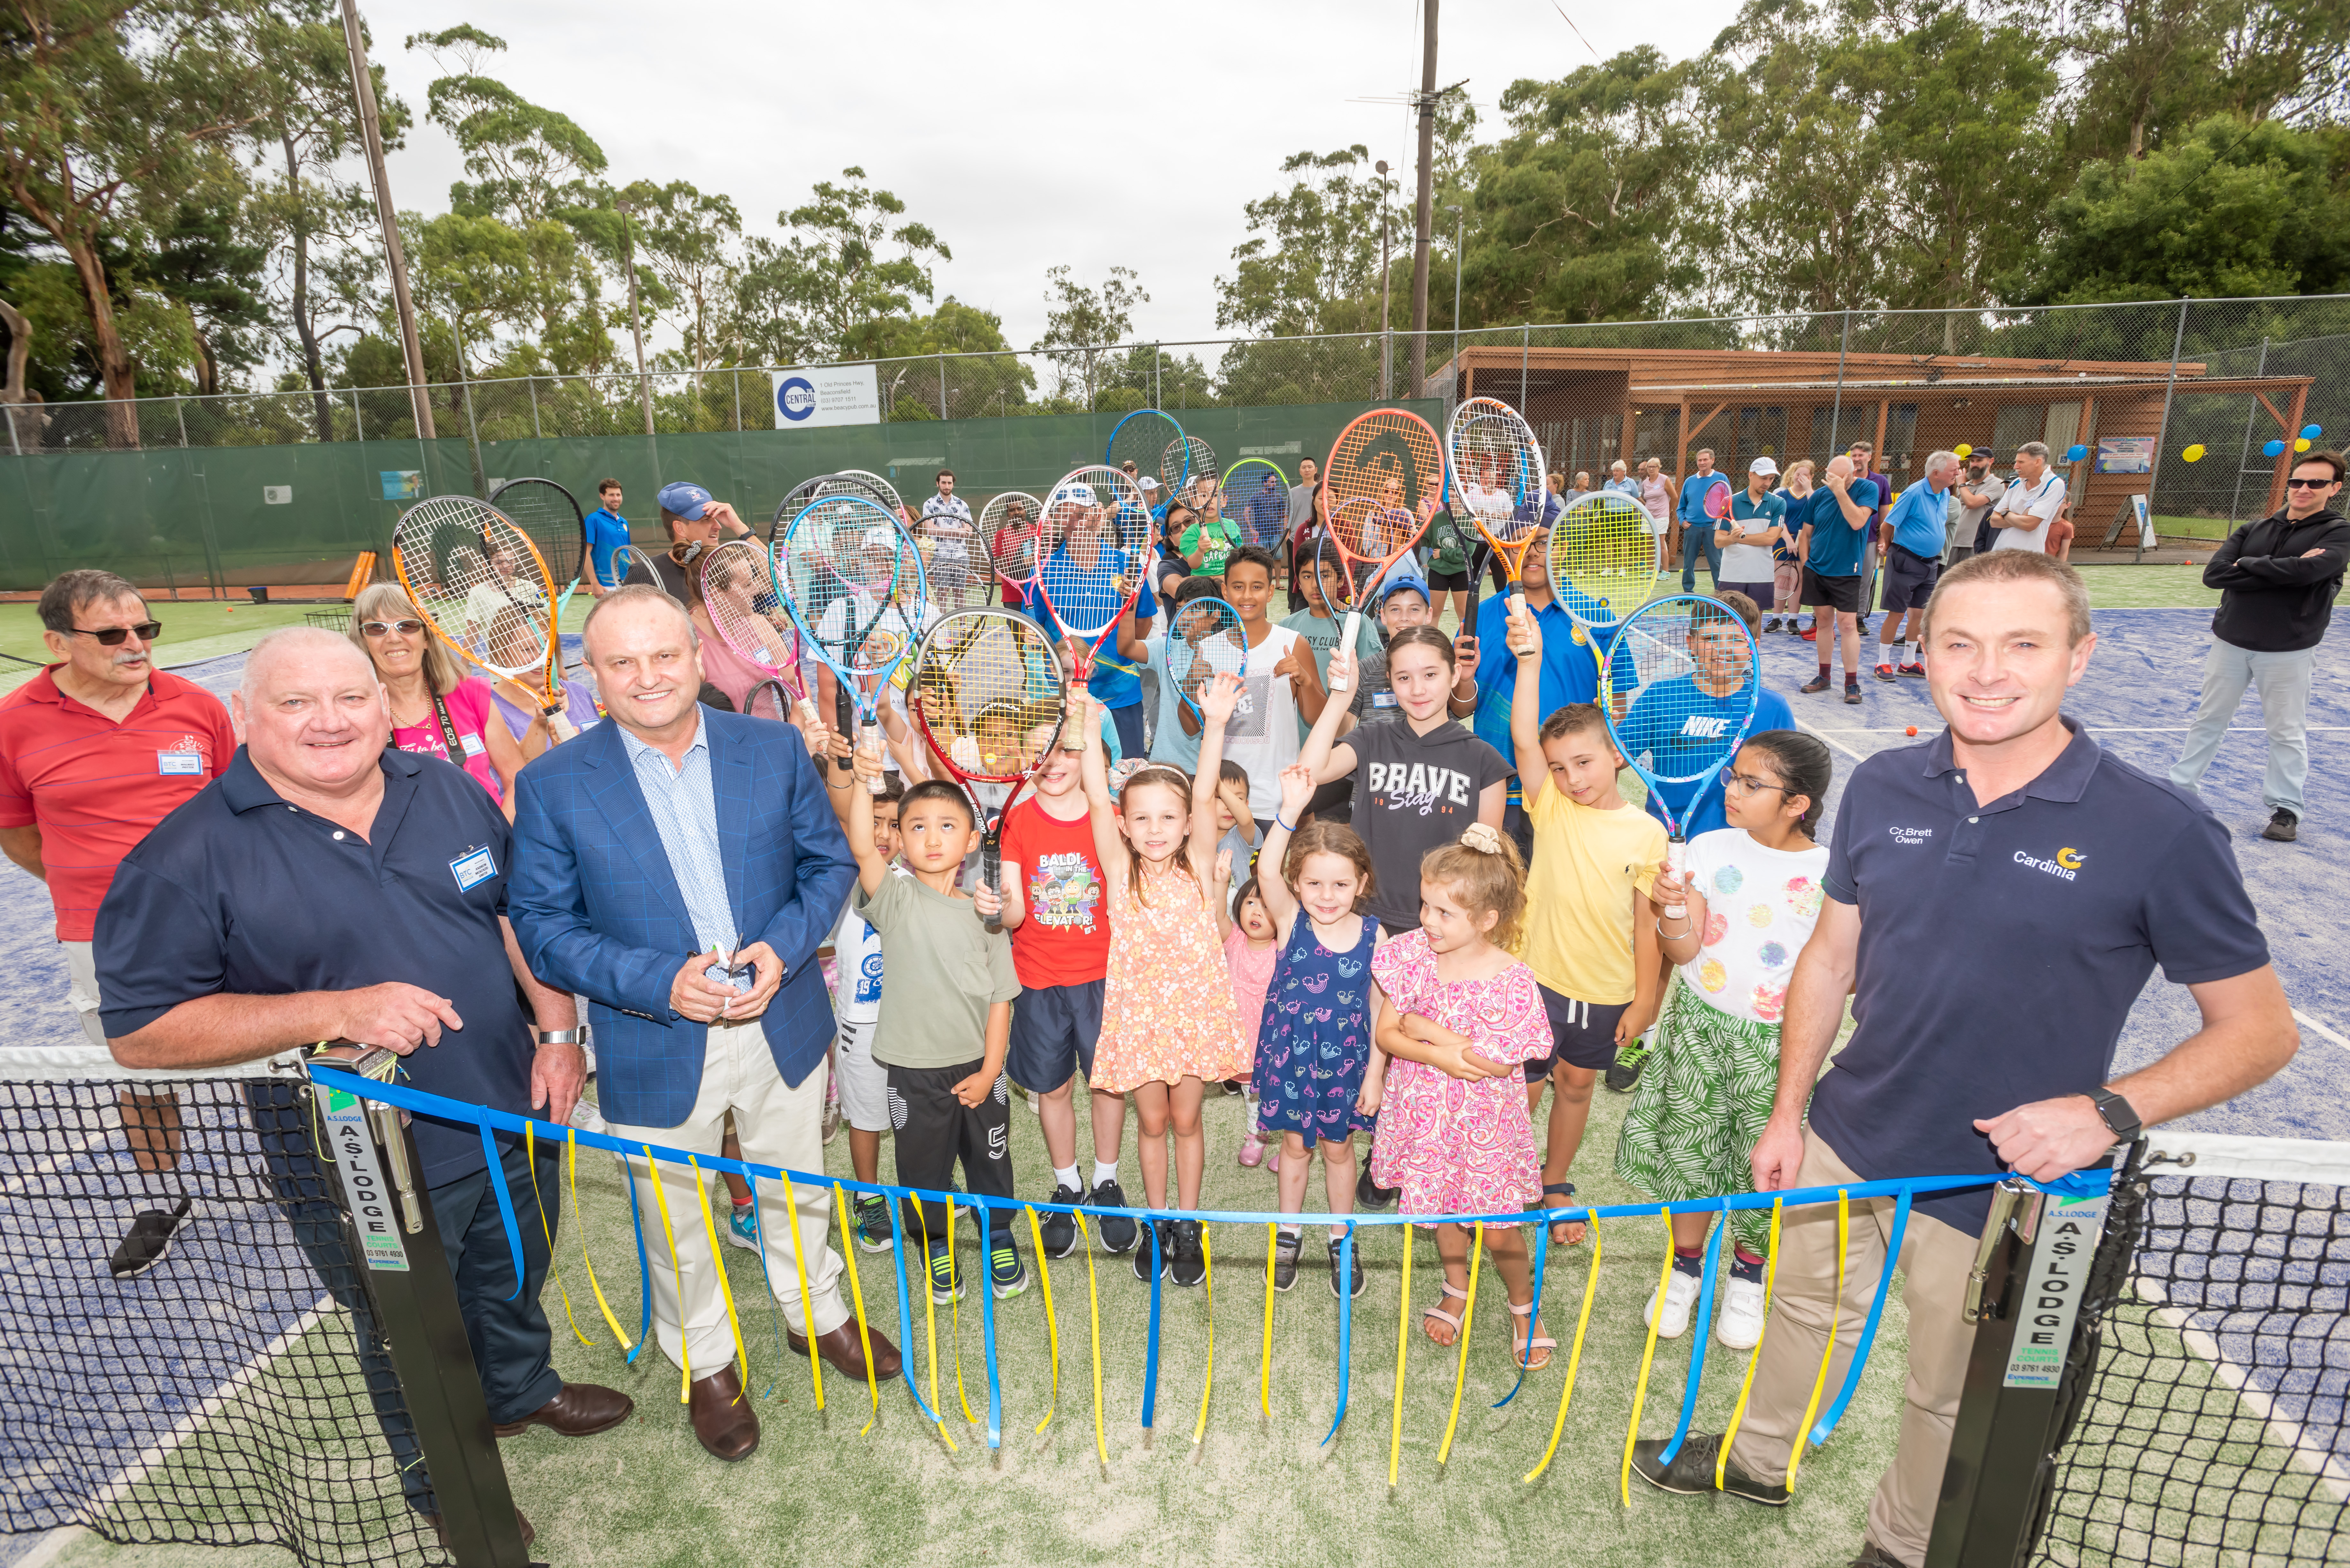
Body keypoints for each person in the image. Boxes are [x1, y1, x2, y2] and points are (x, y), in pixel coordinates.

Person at [1631, 549, 2297, 1568]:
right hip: (1848, 1131)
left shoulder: (2158, 830)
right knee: (1804, 1307)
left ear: (2077, 657)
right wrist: (1786, 1110)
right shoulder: (1885, 783)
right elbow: (1830, 952)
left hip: (1999, 1177)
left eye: (2020, 643)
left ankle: (1900, 1545)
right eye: (1958, 643)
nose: (1985, 671)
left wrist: (2103, 1112)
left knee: (1944, 1385)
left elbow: (2258, 1031)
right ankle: (1755, 1459)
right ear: (1927, 655)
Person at [96, 629, 630, 1540]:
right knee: (407, 1337)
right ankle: (451, 1496)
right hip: (354, 1165)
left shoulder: (447, 789)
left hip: (511, 1111)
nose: (329, 722)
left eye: (349, 698)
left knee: (512, 1275)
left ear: (386, 705)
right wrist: (330, 1010)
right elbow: (143, 1033)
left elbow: (513, 918)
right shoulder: (185, 856)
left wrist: (556, 1033)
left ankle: (517, 1390)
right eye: (296, 703)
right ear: (246, 718)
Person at [507, 586, 898, 1463]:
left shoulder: (770, 748)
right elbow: (542, 926)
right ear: (593, 676)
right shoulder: (553, 786)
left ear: (695, 655)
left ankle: (817, 1314)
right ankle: (708, 1364)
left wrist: (783, 952)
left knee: (798, 1182)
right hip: (654, 1036)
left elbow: (827, 864)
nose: (648, 677)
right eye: (623, 662)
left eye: (665, 655)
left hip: (782, 1018)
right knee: (670, 1213)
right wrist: (659, 982)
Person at [0, 569, 235, 1275]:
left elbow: (239, 815)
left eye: (144, 628)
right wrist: (102, 893)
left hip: (223, 924)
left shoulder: (197, 705)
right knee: (140, 1075)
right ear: (57, 642)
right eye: (112, 634)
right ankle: (163, 1198)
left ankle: (306, 1175)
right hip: (99, 936)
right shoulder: (15, 721)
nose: (135, 645)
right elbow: (16, 831)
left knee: (279, 1056)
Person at [1613, 730, 1833, 1348]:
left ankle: (1747, 1273)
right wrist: (1672, 909)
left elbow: (1835, 978)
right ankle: (1684, 1266)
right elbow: (1684, 952)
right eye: (1733, 777)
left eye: (1751, 783)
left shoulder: (1828, 874)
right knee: (1692, 1156)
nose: (1730, 790)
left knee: (1761, 1166)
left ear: (1799, 803)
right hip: (1697, 1031)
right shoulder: (1710, 848)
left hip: (1776, 1047)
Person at [1367, 825, 1555, 1368]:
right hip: (1426, 1118)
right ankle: (1457, 1285)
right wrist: (1442, 1052)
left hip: (1486, 1130)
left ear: (1487, 920)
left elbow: (1497, 1063)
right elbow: (1387, 1034)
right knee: (1442, 1215)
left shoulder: (1514, 980)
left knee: (1499, 1232)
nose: (1427, 920)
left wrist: (1424, 1027)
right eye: (1425, 905)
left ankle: (1524, 1302)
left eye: (1444, 912)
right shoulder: (1410, 955)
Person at [1505, 618, 1668, 1246]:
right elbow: (1523, 735)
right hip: (1536, 979)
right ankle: (1505, 1175)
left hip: (1605, 991)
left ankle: (1553, 1179)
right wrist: (1530, 659)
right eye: (1558, 767)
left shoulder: (1646, 832)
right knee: (1523, 1085)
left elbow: (1645, 924)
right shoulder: (1550, 806)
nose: (1571, 778)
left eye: (1583, 761)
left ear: (1616, 752)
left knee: (1576, 1084)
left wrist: (1645, 998)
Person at [1081, 679, 1248, 1288]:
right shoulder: (1121, 869)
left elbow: (1206, 793)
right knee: (1150, 1123)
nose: (1155, 829)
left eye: (1168, 818)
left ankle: (1188, 1221)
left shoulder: (1201, 867)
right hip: (1139, 1021)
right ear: (1125, 826)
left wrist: (1218, 721)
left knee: (1186, 1122)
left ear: (1186, 827)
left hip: (1194, 1018)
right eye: (1142, 817)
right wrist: (1082, 726)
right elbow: (1098, 800)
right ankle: (1157, 1219)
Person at [843, 747, 1026, 1302]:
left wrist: (992, 1067)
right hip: (913, 1071)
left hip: (980, 1068)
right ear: (897, 838)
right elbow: (857, 845)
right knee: (922, 1171)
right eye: (915, 826)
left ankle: (997, 1231)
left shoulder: (986, 913)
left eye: (947, 826)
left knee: (991, 1160)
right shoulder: (893, 898)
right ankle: (935, 1245)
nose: (930, 837)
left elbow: (1001, 999)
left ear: (972, 841)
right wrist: (861, 778)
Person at [980, 712, 1138, 1261]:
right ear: (1026, 759)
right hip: (1039, 981)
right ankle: (1068, 1183)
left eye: (1068, 750)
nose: (1054, 762)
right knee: (1053, 1090)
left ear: (1090, 757)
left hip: (1104, 977)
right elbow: (1016, 911)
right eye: (1042, 750)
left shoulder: (1111, 817)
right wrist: (1000, 910)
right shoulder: (1017, 822)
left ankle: (1107, 1181)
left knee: (1108, 1086)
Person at [2170, 450, 2348, 844]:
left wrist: (2247, 565)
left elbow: (2313, 571)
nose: (2303, 489)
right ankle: (2180, 791)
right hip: (2232, 642)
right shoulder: (2255, 527)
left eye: (2316, 483)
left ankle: (2286, 810)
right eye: (2297, 481)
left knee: (2286, 731)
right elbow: (2214, 575)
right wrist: (2282, 568)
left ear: (2334, 488)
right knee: (2208, 719)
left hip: (2289, 649)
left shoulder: (2337, 532)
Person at [1250, 768, 1380, 1298]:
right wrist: (1289, 809)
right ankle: (1289, 1232)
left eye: (1341, 883)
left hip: (1346, 1065)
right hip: (1292, 1060)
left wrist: (1375, 1075)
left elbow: (1380, 1009)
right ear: (1297, 883)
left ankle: (1341, 1237)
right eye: (1314, 882)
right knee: (1297, 1148)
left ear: (1362, 883)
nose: (1327, 895)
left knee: (1339, 1151)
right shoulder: (1288, 918)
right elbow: (1267, 870)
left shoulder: (1377, 933)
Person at [1298, 627, 1509, 937]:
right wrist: (1340, 699)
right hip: (1367, 917)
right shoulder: (1372, 740)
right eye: (1404, 678)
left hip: (1447, 925)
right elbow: (1310, 773)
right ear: (1390, 681)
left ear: (1454, 675)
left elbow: (1486, 865)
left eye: (1430, 675)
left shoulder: (1484, 761)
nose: (1417, 690)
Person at [1454, 528, 1597, 863]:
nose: (1532, 552)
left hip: (1572, 789)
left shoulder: (1596, 616)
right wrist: (1463, 680)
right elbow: (1461, 708)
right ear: (1504, 555)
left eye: (1543, 541)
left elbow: (1612, 706)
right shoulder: (1479, 618)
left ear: (1561, 548)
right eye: (1518, 545)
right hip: (1500, 791)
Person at [349, 583, 527, 816]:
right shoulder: (352, 714)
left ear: (426, 638)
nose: (393, 638)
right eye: (376, 628)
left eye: (407, 626)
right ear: (363, 640)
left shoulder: (470, 693)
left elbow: (516, 780)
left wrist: (502, 838)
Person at [1635, 592, 1796, 849]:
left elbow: (1790, 789)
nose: (1723, 649)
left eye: (1736, 639)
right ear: (1691, 642)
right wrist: (1600, 733)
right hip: (1666, 841)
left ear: (1754, 645)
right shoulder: (1659, 696)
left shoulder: (1774, 708)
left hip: (1742, 850)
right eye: (1710, 638)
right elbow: (1616, 758)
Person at [820, 772, 902, 1251]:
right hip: (862, 1030)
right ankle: (868, 1195)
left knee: (918, 1116)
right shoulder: (839, 879)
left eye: (895, 824)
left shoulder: (914, 879)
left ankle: (925, 1184)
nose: (886, 836)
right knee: (866, 1119)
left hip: (912, 1026)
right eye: (874, 822)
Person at [1215, 547, 1329, 835]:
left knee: (1268, 878)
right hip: (1222, 799)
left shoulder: (1293, 644)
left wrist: (1303, 679)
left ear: (1270, 592)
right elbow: (1191, 726)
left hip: (1276, 798)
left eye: (1257, 587)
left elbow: (1318, 719)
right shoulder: (1208, 649)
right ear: (1225, 591)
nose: (1247, 596)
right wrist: (1195, 676)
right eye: (1238, 587)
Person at [1794, 455, 1880, 705]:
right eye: (1835, 479)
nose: (1841, 482)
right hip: (1816, 569)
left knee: (1848, 625)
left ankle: (1852, 682)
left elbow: (1857, 522)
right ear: (1828, 474)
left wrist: (1841, 491)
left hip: (1847, 570)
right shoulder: (1819, 496)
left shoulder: (1867, 488)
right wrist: (1806, 564)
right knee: (1823, 622)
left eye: (1846, 478)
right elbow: (1806, 534)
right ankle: (1824, 676)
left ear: (1853, 473)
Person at [478, 604, 603, 759]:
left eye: (545, 647)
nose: (540, 659)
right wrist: (541, 725)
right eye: (526, 649)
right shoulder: (487, 707)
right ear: (501, 652)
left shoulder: (579, 692)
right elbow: (515, 773)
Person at [1876, 451, 1960, 680]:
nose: (1958, 472)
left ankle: (1908, 662)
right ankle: (1883, 662)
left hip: (1930, 564)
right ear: (1936, 473)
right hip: (1906, 560)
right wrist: (1892, 549)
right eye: (1954, 469)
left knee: (1921, 615)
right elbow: (1888, 525)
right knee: (1897, 612)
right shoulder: (1913, 493)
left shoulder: (1944, 493)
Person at [1224, 873, 1281, 1169]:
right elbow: (1217, 917)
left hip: (1275, 1041)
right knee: (1252, 1093)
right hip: (1243, 1041)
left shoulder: (1283, 950)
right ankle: (1256, 1136)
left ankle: (1294, 1147)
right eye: (1250, 902)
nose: (1256, 911)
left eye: (1267, 906)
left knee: (1283, 1091)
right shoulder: (1234, 939)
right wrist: (1221, 883)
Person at [627, 482, 754, 602]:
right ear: (680, 529)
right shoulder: (645, 573)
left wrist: (739, 527)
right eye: (706, 520)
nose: (719, 526)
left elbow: (773, 576)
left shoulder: (728, 563)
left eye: (716, 518)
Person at [1715, 457, 1788, 607]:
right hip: (1732, 573)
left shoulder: (1779, 503)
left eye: (1771, 479)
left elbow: (1771, 539)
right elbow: (1718, 541)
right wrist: (1730, 539)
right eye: (1763, 478)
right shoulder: (1728, 502)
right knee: (1729, 621)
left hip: (1762, 575)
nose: (1767, 483)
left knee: (1756, 620)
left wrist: (1737, 538)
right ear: (1751, 475)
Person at [1988, 441, 2064, 555]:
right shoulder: (2015, 483)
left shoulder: (2054, 484)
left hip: (2029, 556)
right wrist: (2023, 518)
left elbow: (2030, 525)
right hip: (2000, 552)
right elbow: (1994, 521)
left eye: (2021, 462)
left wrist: (2005, 514)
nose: (2016, 466)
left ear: (2038, 462)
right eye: (2016, 462)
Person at [1767, 459, 1815, 633]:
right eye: (1798, 473)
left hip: (1804, 543)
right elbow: (1778, 520)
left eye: (1805, 475)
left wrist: (1800, 540)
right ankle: (1776, 619)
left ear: (1811, 478)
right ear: (1793, 475)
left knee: (1798, 581)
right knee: (1781, 580)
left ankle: (1793, 621)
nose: (1800, 477)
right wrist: (1788, 540)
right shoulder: (1781, 495)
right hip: (1782, 541)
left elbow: (1815, 516)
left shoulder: (1814, 496)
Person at [917, 468, 976, 608]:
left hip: (961, 555)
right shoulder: (929, 504)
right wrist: (958, 531)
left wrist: (945, 532)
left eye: (950, 483)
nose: (947, 486)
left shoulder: (962, 505)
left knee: (960, 593)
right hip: (939, 555)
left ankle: (963, 628)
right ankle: (941, 627)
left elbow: (969, 532)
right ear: (938, 484)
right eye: (944, 483)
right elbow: (930, 529)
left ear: (953, 485)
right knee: (942, 593)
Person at [1848, 440, 1892, 626]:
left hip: (1870, 539)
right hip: (1846, 538)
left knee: (1865, 579)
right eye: (1854, 456)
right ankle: (1820, 618)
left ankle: (1858, 617)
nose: (1857, 459)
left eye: (1861, 455)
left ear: (1869, 457)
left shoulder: (1880, 481)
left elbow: (1884, 511)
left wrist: (1884, 536)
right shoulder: (1845, 479)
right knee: (1838, 577)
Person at [1676, 448, 1728, 592]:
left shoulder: (1721, 478)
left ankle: (1720, 594)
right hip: (1692, 529)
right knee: (1688, 564)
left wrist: (1719, 523)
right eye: (1700, 460)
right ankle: (1688, 593)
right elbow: (1681, 507)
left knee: (1717, 563)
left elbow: (1728, 505)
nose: (1702, 463)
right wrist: (1683, 522)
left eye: (1706, 460)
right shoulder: (1689, 481)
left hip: (1713, 529)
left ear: (1713, 460)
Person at [1947, 449, 2003, 567]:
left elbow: (1972, 504)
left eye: (1979, 461)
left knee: (1969, 581)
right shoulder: (1964, 487)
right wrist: (1963, 485)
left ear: (1991, 461)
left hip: (1974, 544)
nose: (1974, 464)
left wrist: (1961, 484)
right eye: (1972, 461)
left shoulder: (1997, 484)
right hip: (1954, 541)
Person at [584, 478, 632, 596]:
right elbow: (586, 554)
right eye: (611, 495)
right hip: (606, 585)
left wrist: (636, 573)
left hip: (628, 583)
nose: (616, 499)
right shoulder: (593, 520)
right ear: (602, 496)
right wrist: (595, 584)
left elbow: (627, 552)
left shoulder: (624, 522)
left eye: (618, 495)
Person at [1640, 458, 1675, 559]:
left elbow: (1675, 497)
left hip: (1661, 517)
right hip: (1648, 517)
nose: (1651, 469)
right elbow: (1646, 499)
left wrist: (1668, 511)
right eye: (1649, 467)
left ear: (1659, 467)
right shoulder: (1645, 483)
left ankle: (1665, 572)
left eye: (1654, 467)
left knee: (1660, 545)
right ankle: (1651, 571)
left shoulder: (1665, 479)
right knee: (1649, 546)